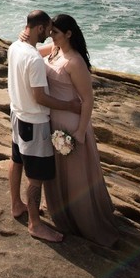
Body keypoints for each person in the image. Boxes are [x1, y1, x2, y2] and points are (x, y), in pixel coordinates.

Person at [42, 13, 119, 247]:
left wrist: (81, 132)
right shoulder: (53, 50)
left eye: (55, 32)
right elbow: (31, 54)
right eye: (50, 31)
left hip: (71, 126)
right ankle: (62, 213)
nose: (50, 35)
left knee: (75, 176)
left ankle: (84, 221)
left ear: (68, 34)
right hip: (53, 121)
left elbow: (87, 99)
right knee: (58, 172)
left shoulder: (75, 62)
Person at [7, 10, 82, 242]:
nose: (50, 35)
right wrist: (69, 105)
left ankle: (16, 205)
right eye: (48, 31)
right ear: (39, 28)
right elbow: (40, 97)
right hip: (34, 123)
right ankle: (35, 224)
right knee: (36, 178)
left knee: (17, 161)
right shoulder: (33, 59)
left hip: (16, 115)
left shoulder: (14, 47)